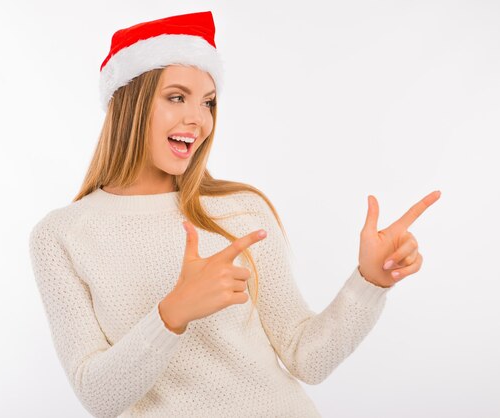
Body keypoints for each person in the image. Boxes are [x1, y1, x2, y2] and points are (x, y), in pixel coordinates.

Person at [28, 10, 441, 418]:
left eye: (208, 102)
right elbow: (98, 397)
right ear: (128, 105)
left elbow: (305, 358)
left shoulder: (240, 209)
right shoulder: (62, 235)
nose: (198, 118)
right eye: (176, 97)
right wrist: (173, 312)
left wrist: (369, 281)